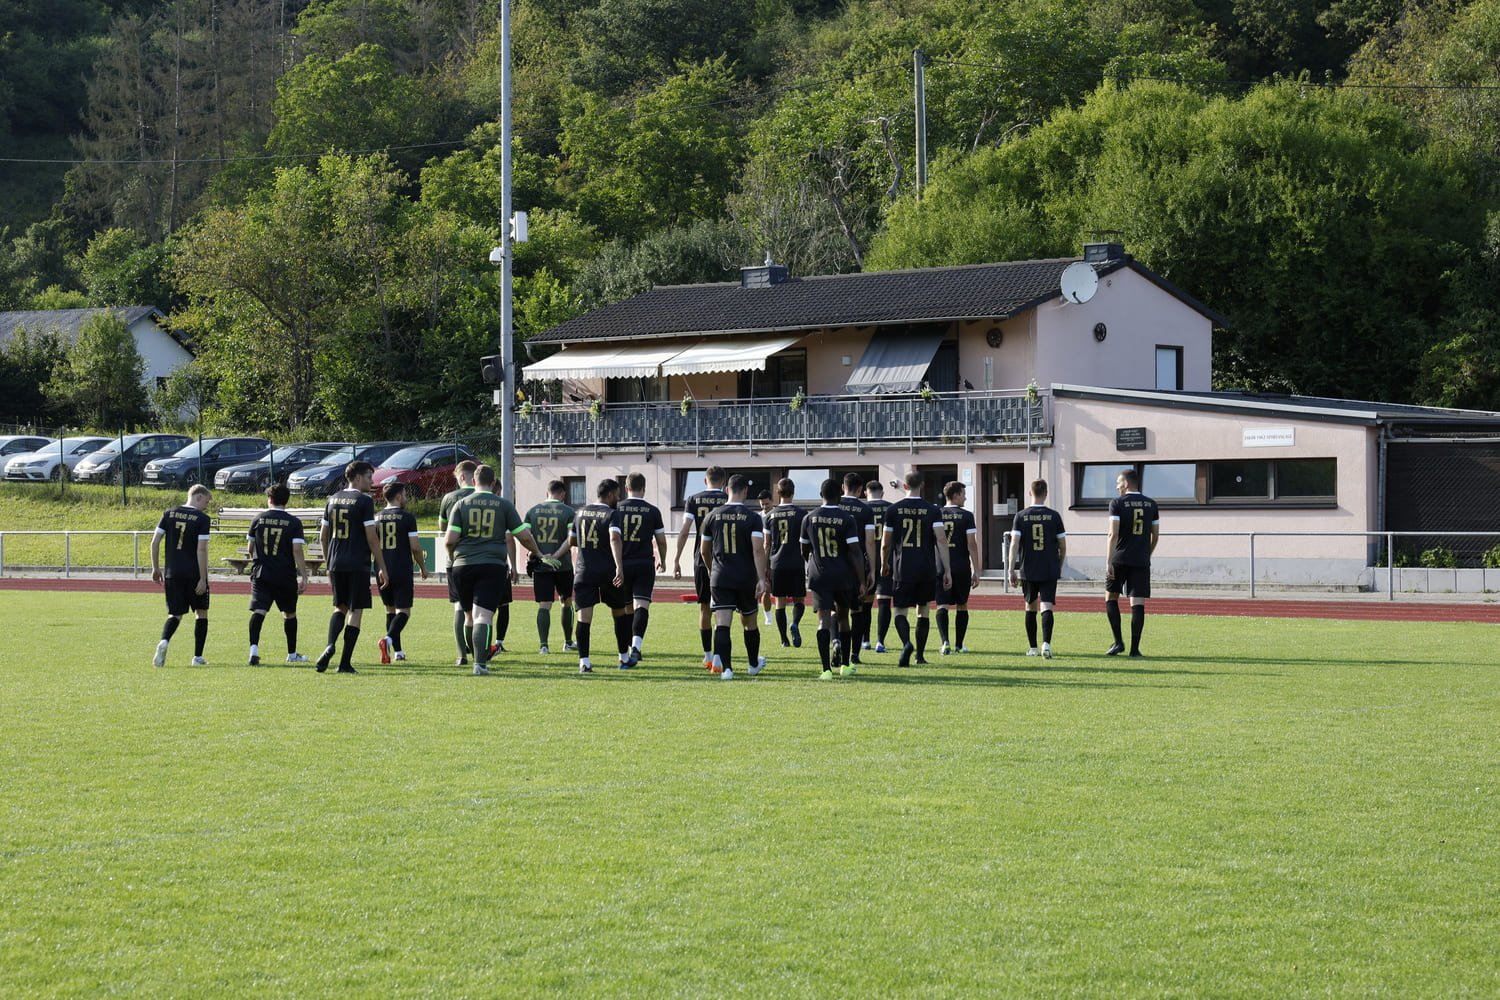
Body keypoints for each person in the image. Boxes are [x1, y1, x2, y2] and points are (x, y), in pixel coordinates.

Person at [444, 464, 551, 675]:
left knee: (468, 616)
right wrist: (538, 553)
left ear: (474, 482)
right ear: (493, 483)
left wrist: (454, 558)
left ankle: (473, 657)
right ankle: (480, 665)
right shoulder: (503, 505)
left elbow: (449, 541)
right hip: (492, 565)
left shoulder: (460, 504)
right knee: (483, 616)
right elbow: (524, 536)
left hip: (462, 566)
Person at [316, 460, 388, 674]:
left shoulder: (332, 499)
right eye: (368, 476)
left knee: (339, 607)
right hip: (358, 563)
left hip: (337, 562)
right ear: (357, 477)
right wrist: (382, 565)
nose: (371, 481)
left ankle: (330, 644)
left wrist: (329, 563)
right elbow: (372, 538)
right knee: (355, 611)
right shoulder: (364, 501)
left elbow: (323, 536)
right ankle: (344, 663)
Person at [698, 473, 771, 680]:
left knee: (722, 622)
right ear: (745, 491)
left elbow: (704, 550)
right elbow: (758, 550)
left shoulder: (712, 516)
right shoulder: (753, 517)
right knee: (749, 622)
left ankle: (727, 670)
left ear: (726, 490)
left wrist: (712, 570)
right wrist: (761, 578)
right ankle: (752, 664)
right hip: (744, 577)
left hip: (720, 576)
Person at [882, 470, 952, 667]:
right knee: (923, 610)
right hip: (926, 567)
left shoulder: (893, 510)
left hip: (902, 568)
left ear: (904, 486)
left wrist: (884, 563)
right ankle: (919, 656)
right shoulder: (933, 510)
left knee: (900, 611)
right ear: (922, 485)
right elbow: (941, 539)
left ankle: (906, 643)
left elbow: (885, 543)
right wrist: (946, 569)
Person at [800, 477, 865, 679]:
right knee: (844, 618)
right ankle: (845, 666)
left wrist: (814, 564)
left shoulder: (808, 518)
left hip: (819, 575)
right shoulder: (847, 519)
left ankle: (826, 669)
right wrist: (862, 580)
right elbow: (855, 551)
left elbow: (804, 549)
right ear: (840, 496)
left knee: (824, 621)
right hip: (843, 575)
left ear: (821, 496)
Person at [245, 482, 310, 666]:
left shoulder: (258, 519)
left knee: (259, 611)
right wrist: (304, 576)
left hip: (262, 573)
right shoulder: (293, 522)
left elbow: (250, 549)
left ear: (270, 499)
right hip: (284, 574)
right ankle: (291, 654)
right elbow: (297, 550)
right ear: (286, 501)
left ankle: (253, 650)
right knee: (289, 614)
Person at [570, 478, 629, 674]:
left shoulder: (579, 513)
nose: (619, 498)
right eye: (618, 494)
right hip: (608, 571)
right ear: (611, 494)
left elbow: (572, 541)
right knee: (619, 613)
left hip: (584, 571)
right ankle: (623, 657)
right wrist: (619, 566)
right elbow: (614, 538)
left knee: (583, 618)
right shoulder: (612, 514)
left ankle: (584, 662)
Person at [150, 484, 213, 667]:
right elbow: (201, 550)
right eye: (206, 501)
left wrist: (156, 568)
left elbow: (154, 543)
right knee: (201, 613)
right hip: (193, 574)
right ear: (199, 497)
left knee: (175, 614)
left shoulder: (168, 513)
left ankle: (164, 641)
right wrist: (202, 578)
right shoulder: (202, 519)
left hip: (172, 573)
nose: (206, 506)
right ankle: (197, 657)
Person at [673, 465, 728, 670]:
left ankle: (707, 656)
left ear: (705, 481)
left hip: (700, 559)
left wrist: (677, 558)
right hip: (724, 560)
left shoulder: (694, 499)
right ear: (723, 483)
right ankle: (719, 658)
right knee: (723, 610)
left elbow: (685, 530)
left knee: (704, 607)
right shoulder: (726, 499)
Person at [1009, 479, 1067, 658]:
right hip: (1049, 566)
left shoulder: (1020, 516)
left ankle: (1033, 648)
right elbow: (1063, 545)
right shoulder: (1055, 516)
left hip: (1029, 567)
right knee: (1047, 605)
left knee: (1030, 606)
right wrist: (1059, 564)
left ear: (1029, 493)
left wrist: (1011, 569)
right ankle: (1046, 645)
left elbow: (1014, 544)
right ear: (1046, 493)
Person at [1105, 468, 1159, 657]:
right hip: (1141, 560)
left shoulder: (1117, 503)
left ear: (1126, 483)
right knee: (1138, 603)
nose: (1117, 485)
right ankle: (1135, 649)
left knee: (1111, 598)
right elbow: (1156, 535)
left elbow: (1113, 534)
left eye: (1119, 482)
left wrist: (1109, 561)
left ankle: (1118, 642)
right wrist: (1147, 554)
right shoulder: (1151, 504)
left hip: (1119, 558)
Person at [616, 472, 666, 667]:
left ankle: (630, 649)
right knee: (642, 606)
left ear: (626, 488)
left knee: (627, 607)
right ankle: (635, 646)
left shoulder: (617, 509)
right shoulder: (653, 511)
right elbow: (661, 540)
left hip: (622, 564)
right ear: (643, 489)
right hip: (644, 563)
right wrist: (663, 559)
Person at [376, 482, 427, 663]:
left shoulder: (377, 518)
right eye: (405, 495)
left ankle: (397, 652)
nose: (406, 498)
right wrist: (422, 566)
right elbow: (415, 547)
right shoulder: (407, 518)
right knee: (404, 612)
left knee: (390, 610)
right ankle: (387, 640)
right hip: (401, 568)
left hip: (381, 569)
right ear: (398, 496)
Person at [525, 479, 576, 655]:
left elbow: (525, 535)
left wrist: (537, 552)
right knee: (566, 602)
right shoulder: (568, 512)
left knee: (544, 605)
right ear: (562, 494)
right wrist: (555, 556)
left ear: (547, 492)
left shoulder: (532, 511)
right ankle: (568, 642)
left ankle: (544, 645)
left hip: (541, 565)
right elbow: (571, 539)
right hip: (563, 565)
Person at [437, 459, 478, 666]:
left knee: (459, 608)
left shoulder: (449, 498)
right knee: (481, 610)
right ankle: (479, 651)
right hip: (481, 558)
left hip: (455, 560)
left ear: (462, 477)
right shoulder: (484, 496)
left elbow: (443, 530)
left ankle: (462, 654)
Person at [837, 472, 878, 664]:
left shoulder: (833, 505)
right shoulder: (865, 510)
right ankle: (854, 653)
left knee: (835, 609)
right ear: (861, 490)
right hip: (856, 565)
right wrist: (871, 568)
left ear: (843, 487)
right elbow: (870, 541)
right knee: (857, 609)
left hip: (833, 563)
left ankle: (836, 641)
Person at [936, 480, 981, 655]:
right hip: (961, 566)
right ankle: (959, 645)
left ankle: (944, 642)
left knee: (942, 605)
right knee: (962, 605)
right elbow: (972, 544)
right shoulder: (967, 516)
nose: (965, 497)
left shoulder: (936, 514)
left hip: (940, 566)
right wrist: (976, 570)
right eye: (963, 494)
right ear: (955, 496)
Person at [764, 477, 807, 649]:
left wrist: (766, 567)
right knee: (799, 600)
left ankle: (784, 640)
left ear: (777, 492)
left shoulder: (769, 516)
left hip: (777, 563)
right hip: (796, 561)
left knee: (779, 602)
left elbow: (767, 544)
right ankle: (795, 623)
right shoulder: (802, 514)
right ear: (793, 492)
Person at [862, 479, 893, 651]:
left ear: (866, 493)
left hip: (866, 558)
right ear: (882, 493)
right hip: (885, 558)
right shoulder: (891, 508)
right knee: (884, 601)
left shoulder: (862, 509)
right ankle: (880, 641)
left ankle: (865, 640)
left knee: (866, 601)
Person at [757, 489, 776, 625]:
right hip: (762, 557)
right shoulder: (757, 518)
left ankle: (781, 614)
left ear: (772, 501)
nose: (764, 507)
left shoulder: (777, 515)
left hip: (776, 556)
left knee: (780, 590)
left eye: (767, 504)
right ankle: (768, 617)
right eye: (762, 504)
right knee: (765, 588)